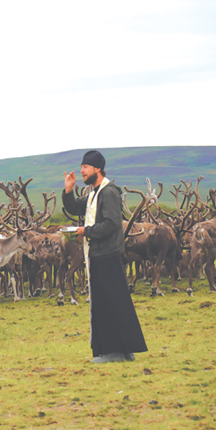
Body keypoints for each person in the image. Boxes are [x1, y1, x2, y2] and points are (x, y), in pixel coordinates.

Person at [62, 150, 147, 363]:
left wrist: (85, 231)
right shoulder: (93, 192)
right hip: (101, 254)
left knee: (106, 303)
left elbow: (112, 224)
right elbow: (74, 207)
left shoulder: (108, 192)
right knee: (117, 302)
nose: (81, 171)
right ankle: (126, 350)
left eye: (85, 167)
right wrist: (68, 190)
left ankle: (112, 352)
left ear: (97, 169)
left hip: (106, 254)